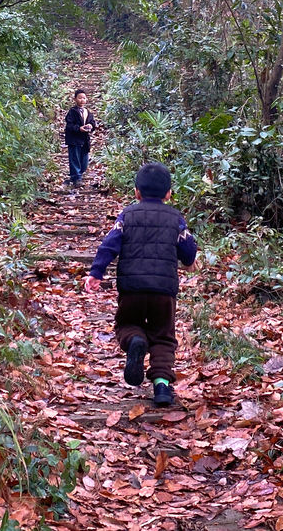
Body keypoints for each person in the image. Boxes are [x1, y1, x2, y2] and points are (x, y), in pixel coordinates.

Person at [84, 162, 197, 406]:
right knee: (164, 336)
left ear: (137, 192)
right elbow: (188, 249)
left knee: (127, 324)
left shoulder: (127, 215)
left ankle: (136, 341)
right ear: (168, 193)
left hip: (131, 287)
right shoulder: (176, 219)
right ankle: (162, 386)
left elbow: (110, 244)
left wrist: (96, 272)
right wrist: (189, 260)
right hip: (163, 291)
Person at [64, 89, 97, 186]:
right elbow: (69, 125)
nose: (82, 100)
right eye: (80, 98)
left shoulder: (88, 112)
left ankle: (77, 176)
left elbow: (92, 122)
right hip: (74, 140)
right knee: (75, 158)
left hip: (84, 139)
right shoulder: (72, 111)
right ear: (75, 99)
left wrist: (91, 126)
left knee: (84, 161)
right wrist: (79, 128)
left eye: (84, 98)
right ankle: (76, 178)